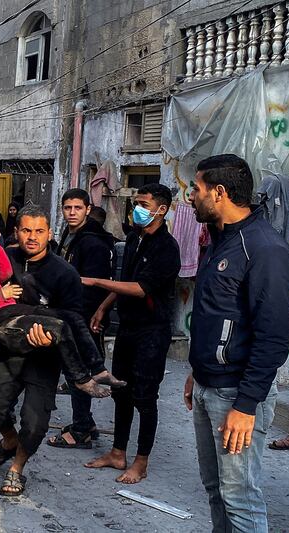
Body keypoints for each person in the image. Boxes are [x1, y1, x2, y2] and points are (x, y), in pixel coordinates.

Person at [184, 154, 289, 532]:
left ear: (219, 192)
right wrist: (196, 373)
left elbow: (274, 338)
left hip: (236, 396)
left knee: (241, 500)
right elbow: (214, 316)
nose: (190, 196)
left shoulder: (264, 249)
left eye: (196, 189)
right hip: (207, 386)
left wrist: (246, 405)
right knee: (216, 491)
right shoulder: (222, 240)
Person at [0, 232, 118, 396]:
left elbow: (5, 272)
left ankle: (98, 369)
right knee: (58, 328)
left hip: (15, 310)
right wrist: (1, 294)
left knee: (72, 318)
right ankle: (80, 379)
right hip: (0, 321)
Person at [83, 183, 181, 484]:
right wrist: (103, 307)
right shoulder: (135, 237)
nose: (136, 208)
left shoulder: (167, 248)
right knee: (121, 391)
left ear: (160, 209)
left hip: (152, 331)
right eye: (136, 202)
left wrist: (98, 283)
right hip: (127, 327)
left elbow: (140, 289)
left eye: (142, 203)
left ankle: (141, 461)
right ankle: (117, 452)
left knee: (145, 398)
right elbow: (126, 279)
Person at [0, 207, 75, 496]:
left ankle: (16, 468)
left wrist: (54, 338)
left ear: (50, 234)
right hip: (8, 349)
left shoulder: (63, 272)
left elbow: (73, 319)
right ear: (16, 232)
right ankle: (8, 441)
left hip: (44, 357)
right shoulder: (5, 259)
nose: (32, 237)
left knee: (34, 423)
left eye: (39, 231)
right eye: (27, 231)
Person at [48, 188, 116, 449]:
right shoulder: (71, 234)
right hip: (70, 314)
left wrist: (87, 317)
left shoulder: (93, 242)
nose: (72, 212)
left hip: (84, 318)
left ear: (88, 209)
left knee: (79, 373)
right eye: (68, 208)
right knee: (74, 371)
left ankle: (81, 430)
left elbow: (95, 286)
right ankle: (84, 421)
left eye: (77, 208)